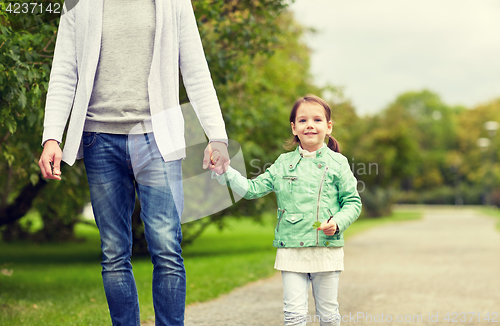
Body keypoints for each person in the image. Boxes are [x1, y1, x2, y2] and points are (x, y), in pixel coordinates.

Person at [38, 0, 229, 325]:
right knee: (114, 252)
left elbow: (196, 70)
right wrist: (51, 136)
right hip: (99, 138)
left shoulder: (174, 3)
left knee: (166, 246)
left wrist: (217, 135)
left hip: (158, 138)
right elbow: (63, 72)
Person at [211, 94, 362, 326]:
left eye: (317, 120)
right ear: (294, 128)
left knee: (329, 315)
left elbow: (353, 202)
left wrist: (338, 221)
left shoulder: (338, 163)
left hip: (326, 249)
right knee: (293, 316)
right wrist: (226, 172)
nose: (310, 125)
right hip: (291, 249)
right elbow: (252, 189)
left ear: (328, 127)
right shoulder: (283, 163)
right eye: (302, 120)